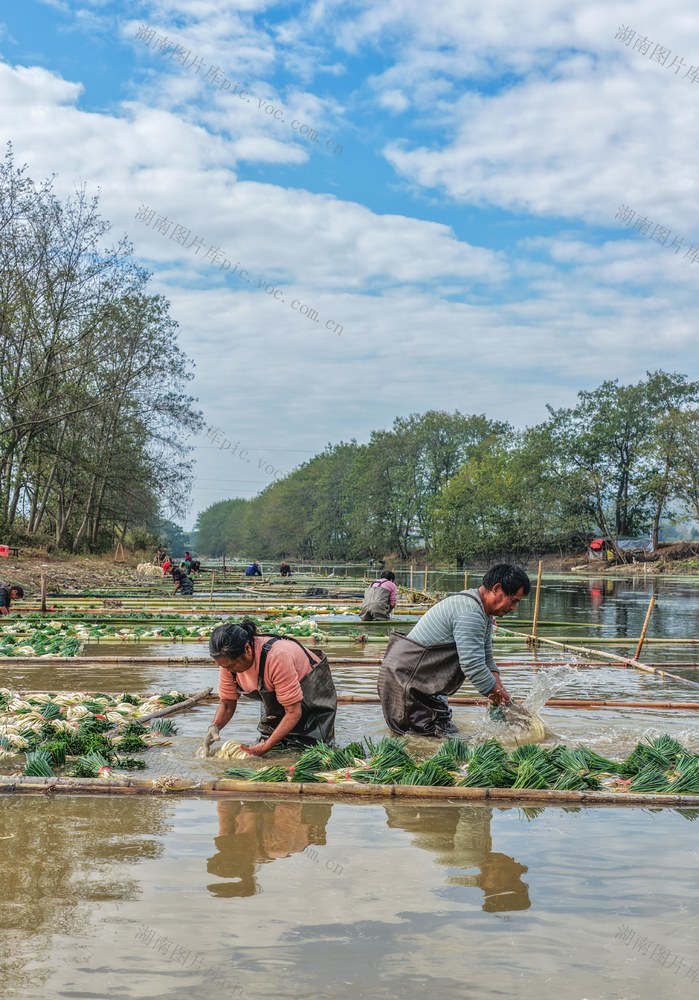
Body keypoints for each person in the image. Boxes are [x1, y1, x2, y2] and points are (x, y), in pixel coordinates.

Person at [378, 563, 531, 737]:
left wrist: (505, 700)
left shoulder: (483, 613)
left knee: (447, 736)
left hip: (425, 686)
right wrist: (508, 706)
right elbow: (473, 666)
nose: (513, 608)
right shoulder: (470, 612)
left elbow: (487, 660)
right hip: (406, 684)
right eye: (514, 600)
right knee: (419, 743)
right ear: (497, 588)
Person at [200, 619, 337, 757]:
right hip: (281, 697)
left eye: (230, 665)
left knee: (312, 751)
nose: (227, 669)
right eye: (223, 666)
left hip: (312, 692)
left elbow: (293, 712)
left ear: (247, 649)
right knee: (275, 750)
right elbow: (227, 703)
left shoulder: (277, 656)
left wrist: (267, 746)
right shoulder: (227, 663)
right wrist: (214, 727)